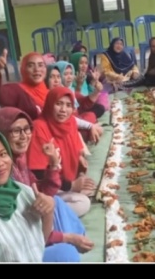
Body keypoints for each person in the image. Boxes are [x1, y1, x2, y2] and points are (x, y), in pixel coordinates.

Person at [0, 108, 94, 261]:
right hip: (31, 241)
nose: (24, 136)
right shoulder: (7, 173)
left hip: (35, 238)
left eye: (27, 129)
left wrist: (53, 164)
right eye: (16, 131)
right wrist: (68, 238)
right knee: (66, 251)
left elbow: (41, 195)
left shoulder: (19, 167)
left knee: (55, 203)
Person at [0, 50, 103, 143]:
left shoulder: (48, 91)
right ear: (23, 69)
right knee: (81, 130)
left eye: (41, 65)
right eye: (30, 65)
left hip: (60, 129)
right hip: (42, 140)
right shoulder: (18, 90)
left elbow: (78, 105)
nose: (37, 69)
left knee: (89, 116)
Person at [26, 87, 96, 217]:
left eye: (68, 105)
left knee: (90, 189)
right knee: (83, 203)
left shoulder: (70, 123)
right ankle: (44, 218)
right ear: (49, 104)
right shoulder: (39, 127)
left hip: (61, 183)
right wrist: (71, 186)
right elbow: (38, 173)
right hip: (45, 189)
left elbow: (77, 151)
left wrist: (80, 165)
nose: (63, 110)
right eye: (58, 104)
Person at [69, 52, 107, 117]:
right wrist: (79, 85)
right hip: (78, 109)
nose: (84, 66)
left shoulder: (84, 76)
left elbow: (88, 94)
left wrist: (94, 80)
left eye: (86, 63)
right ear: (74, 63)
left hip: (87, 104)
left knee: (101, 103)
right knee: (100, 108)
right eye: (81, 63)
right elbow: (77, 101)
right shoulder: (70, 79)